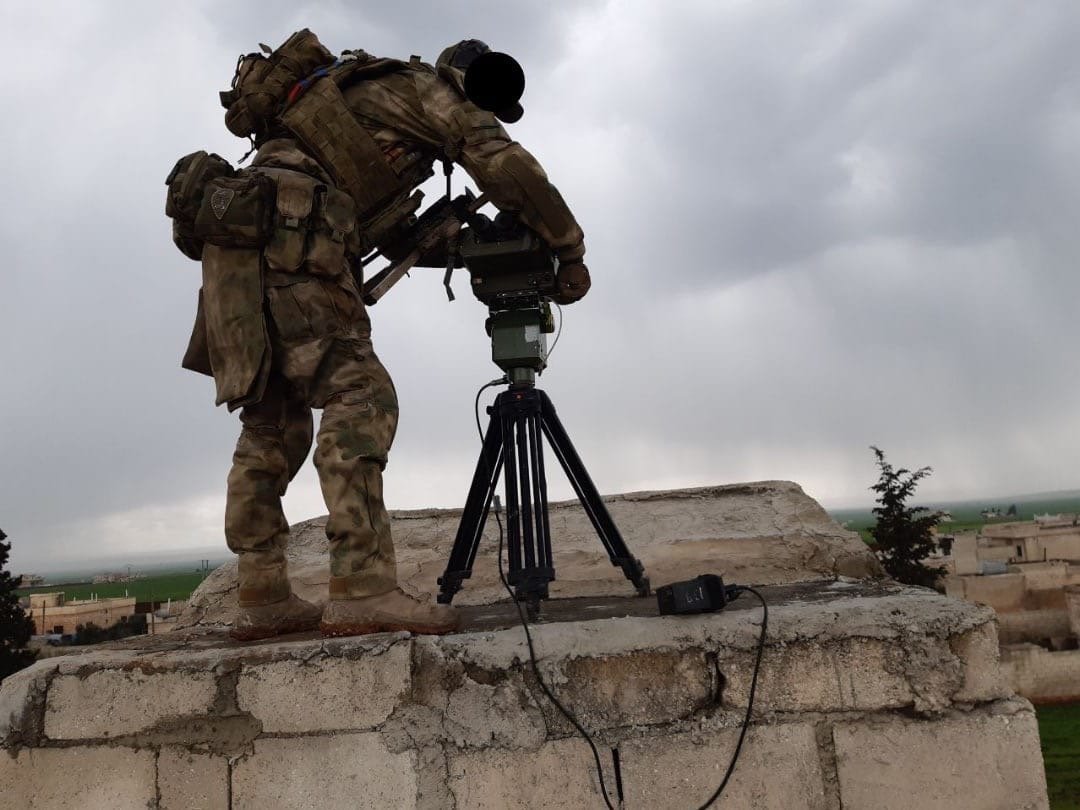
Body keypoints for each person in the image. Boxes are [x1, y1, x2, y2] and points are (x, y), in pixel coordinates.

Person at [166, 31, 589, 640]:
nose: (485, 110)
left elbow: (384, 232)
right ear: (463, 77)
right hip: (296, 237)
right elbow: (502, 164)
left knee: (269, 422)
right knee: (360, 394)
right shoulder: (426, 89)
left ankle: (262, 596)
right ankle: (362, 587)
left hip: (234, 256)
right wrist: (568, 247)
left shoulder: (347, 96)